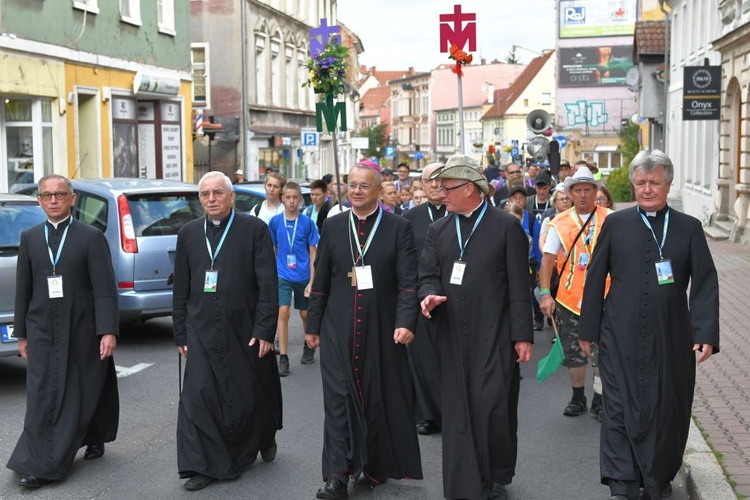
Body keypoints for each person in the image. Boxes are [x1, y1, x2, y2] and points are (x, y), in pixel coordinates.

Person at [579, 150, 720, 500]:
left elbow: (704, 282)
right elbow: (595, 278)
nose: (646, 190)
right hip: (618, 334)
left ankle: (657, 478)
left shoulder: (688, 228)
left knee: (666, 409)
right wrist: (588, 329)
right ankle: (623, 482)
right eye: (640, 183)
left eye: (654, 182)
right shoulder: (616, 224)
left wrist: (705, 334)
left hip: (670, 337)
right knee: (617, 407)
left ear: (668, 185)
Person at [419, 154, 534, 500]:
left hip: (494, 333)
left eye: (448, 188)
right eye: (438, 187)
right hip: (452, 333)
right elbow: (425, 276)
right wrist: (428, 297)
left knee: (492, 405)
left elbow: (518, 285)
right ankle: (464, 483)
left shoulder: (505, 227)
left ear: (470, 189)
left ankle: (496, 473)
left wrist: (523, 336)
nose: (441, 194)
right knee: (456, 410)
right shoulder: (437, 229)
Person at [306, 163, 422, 499]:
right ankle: (337, 475)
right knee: (339, 401)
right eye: (352, 185)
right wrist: (313, 325)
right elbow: (322, 280)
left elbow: (408, 283)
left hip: (382, 329)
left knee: (375, 398)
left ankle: (372, 464)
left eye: (364, 186)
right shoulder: (333, 225)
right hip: (337, 328)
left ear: (379, 190)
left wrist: (405, 322)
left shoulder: (398, 228)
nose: (356, 191)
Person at [8, 174, 119, 488]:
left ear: (73, 199)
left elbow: (105, 289)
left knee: (83, 386)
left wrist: (108, 330)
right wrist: (22, 333)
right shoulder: (30, 238)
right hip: (42, 328)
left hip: (82, 327)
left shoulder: (90, 237)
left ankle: (93, 435)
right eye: (46, 195)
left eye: (59, 194)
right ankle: (42, 462)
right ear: (40, 201)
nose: (53, 200)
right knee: (45, 394)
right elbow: (23, 291)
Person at [173, 172, 282, 491]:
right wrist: (181, 332)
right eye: (204, 194)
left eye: (217, 192)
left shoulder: (254, 230)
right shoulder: (189, 233)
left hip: (244, 327)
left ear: (231, 196)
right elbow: (181, 286)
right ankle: (202, 463)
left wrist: (265, 329)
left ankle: (262, 435)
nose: (211, 198)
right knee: (199, 396)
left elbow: (267, 284)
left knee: (248, 391)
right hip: (201, 329)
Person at [539, 166, 611, 419]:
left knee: (602, 351)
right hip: (569, 298)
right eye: (577, 190)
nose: (582, 195)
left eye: (587, 190)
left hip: (604, 297)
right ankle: (578, 397)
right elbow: (548, 260)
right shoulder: (559, 222)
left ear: (596, 191)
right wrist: (545, 293)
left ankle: (600, 400)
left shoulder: (611, 218)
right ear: (570, 192)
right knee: (574, 351)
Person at [403, 162, 446, 437]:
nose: (434, 185)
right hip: (420, 295)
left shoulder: (459, 214)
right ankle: (426, 414)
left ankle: (451, 410)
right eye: (429, 180)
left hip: (454, 295)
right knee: (421, 358)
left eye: (439, 180)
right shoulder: (411, 218)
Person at [269, 182, 320, 375]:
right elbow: (272, 249)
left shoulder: (307, 223)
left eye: (295, 198)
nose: (291, 201)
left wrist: (312, 281)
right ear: (282, 198)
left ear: (300, 199)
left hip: (304, 275)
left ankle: (309, 343)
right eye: (288, 197)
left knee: (305, 314)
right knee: (283, 311)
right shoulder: (275, 222)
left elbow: (313, 252)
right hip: (282, 274)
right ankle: (283, 357)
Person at [508, 184, 544, 331]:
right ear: (509, 200)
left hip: (530, 263)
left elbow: (536, 242)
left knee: (533, 292)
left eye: (521, 198)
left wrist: (540, 267)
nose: (518, 201)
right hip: (511, 264)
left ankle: (538, 318)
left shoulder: (531, 219)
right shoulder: (504, 217)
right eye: (514, 198)